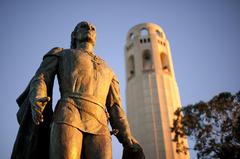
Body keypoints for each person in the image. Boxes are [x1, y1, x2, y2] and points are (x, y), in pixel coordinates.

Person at [12, 21, 144, 159]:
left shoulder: (108, 70)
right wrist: (38, 96)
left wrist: (127, 136)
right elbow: (41, 77)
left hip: (100, 125)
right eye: (84, 26)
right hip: (68, 115)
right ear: (74, 35)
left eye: (93, 28)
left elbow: (115, 107)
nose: (89, 28)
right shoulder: (61, 53)